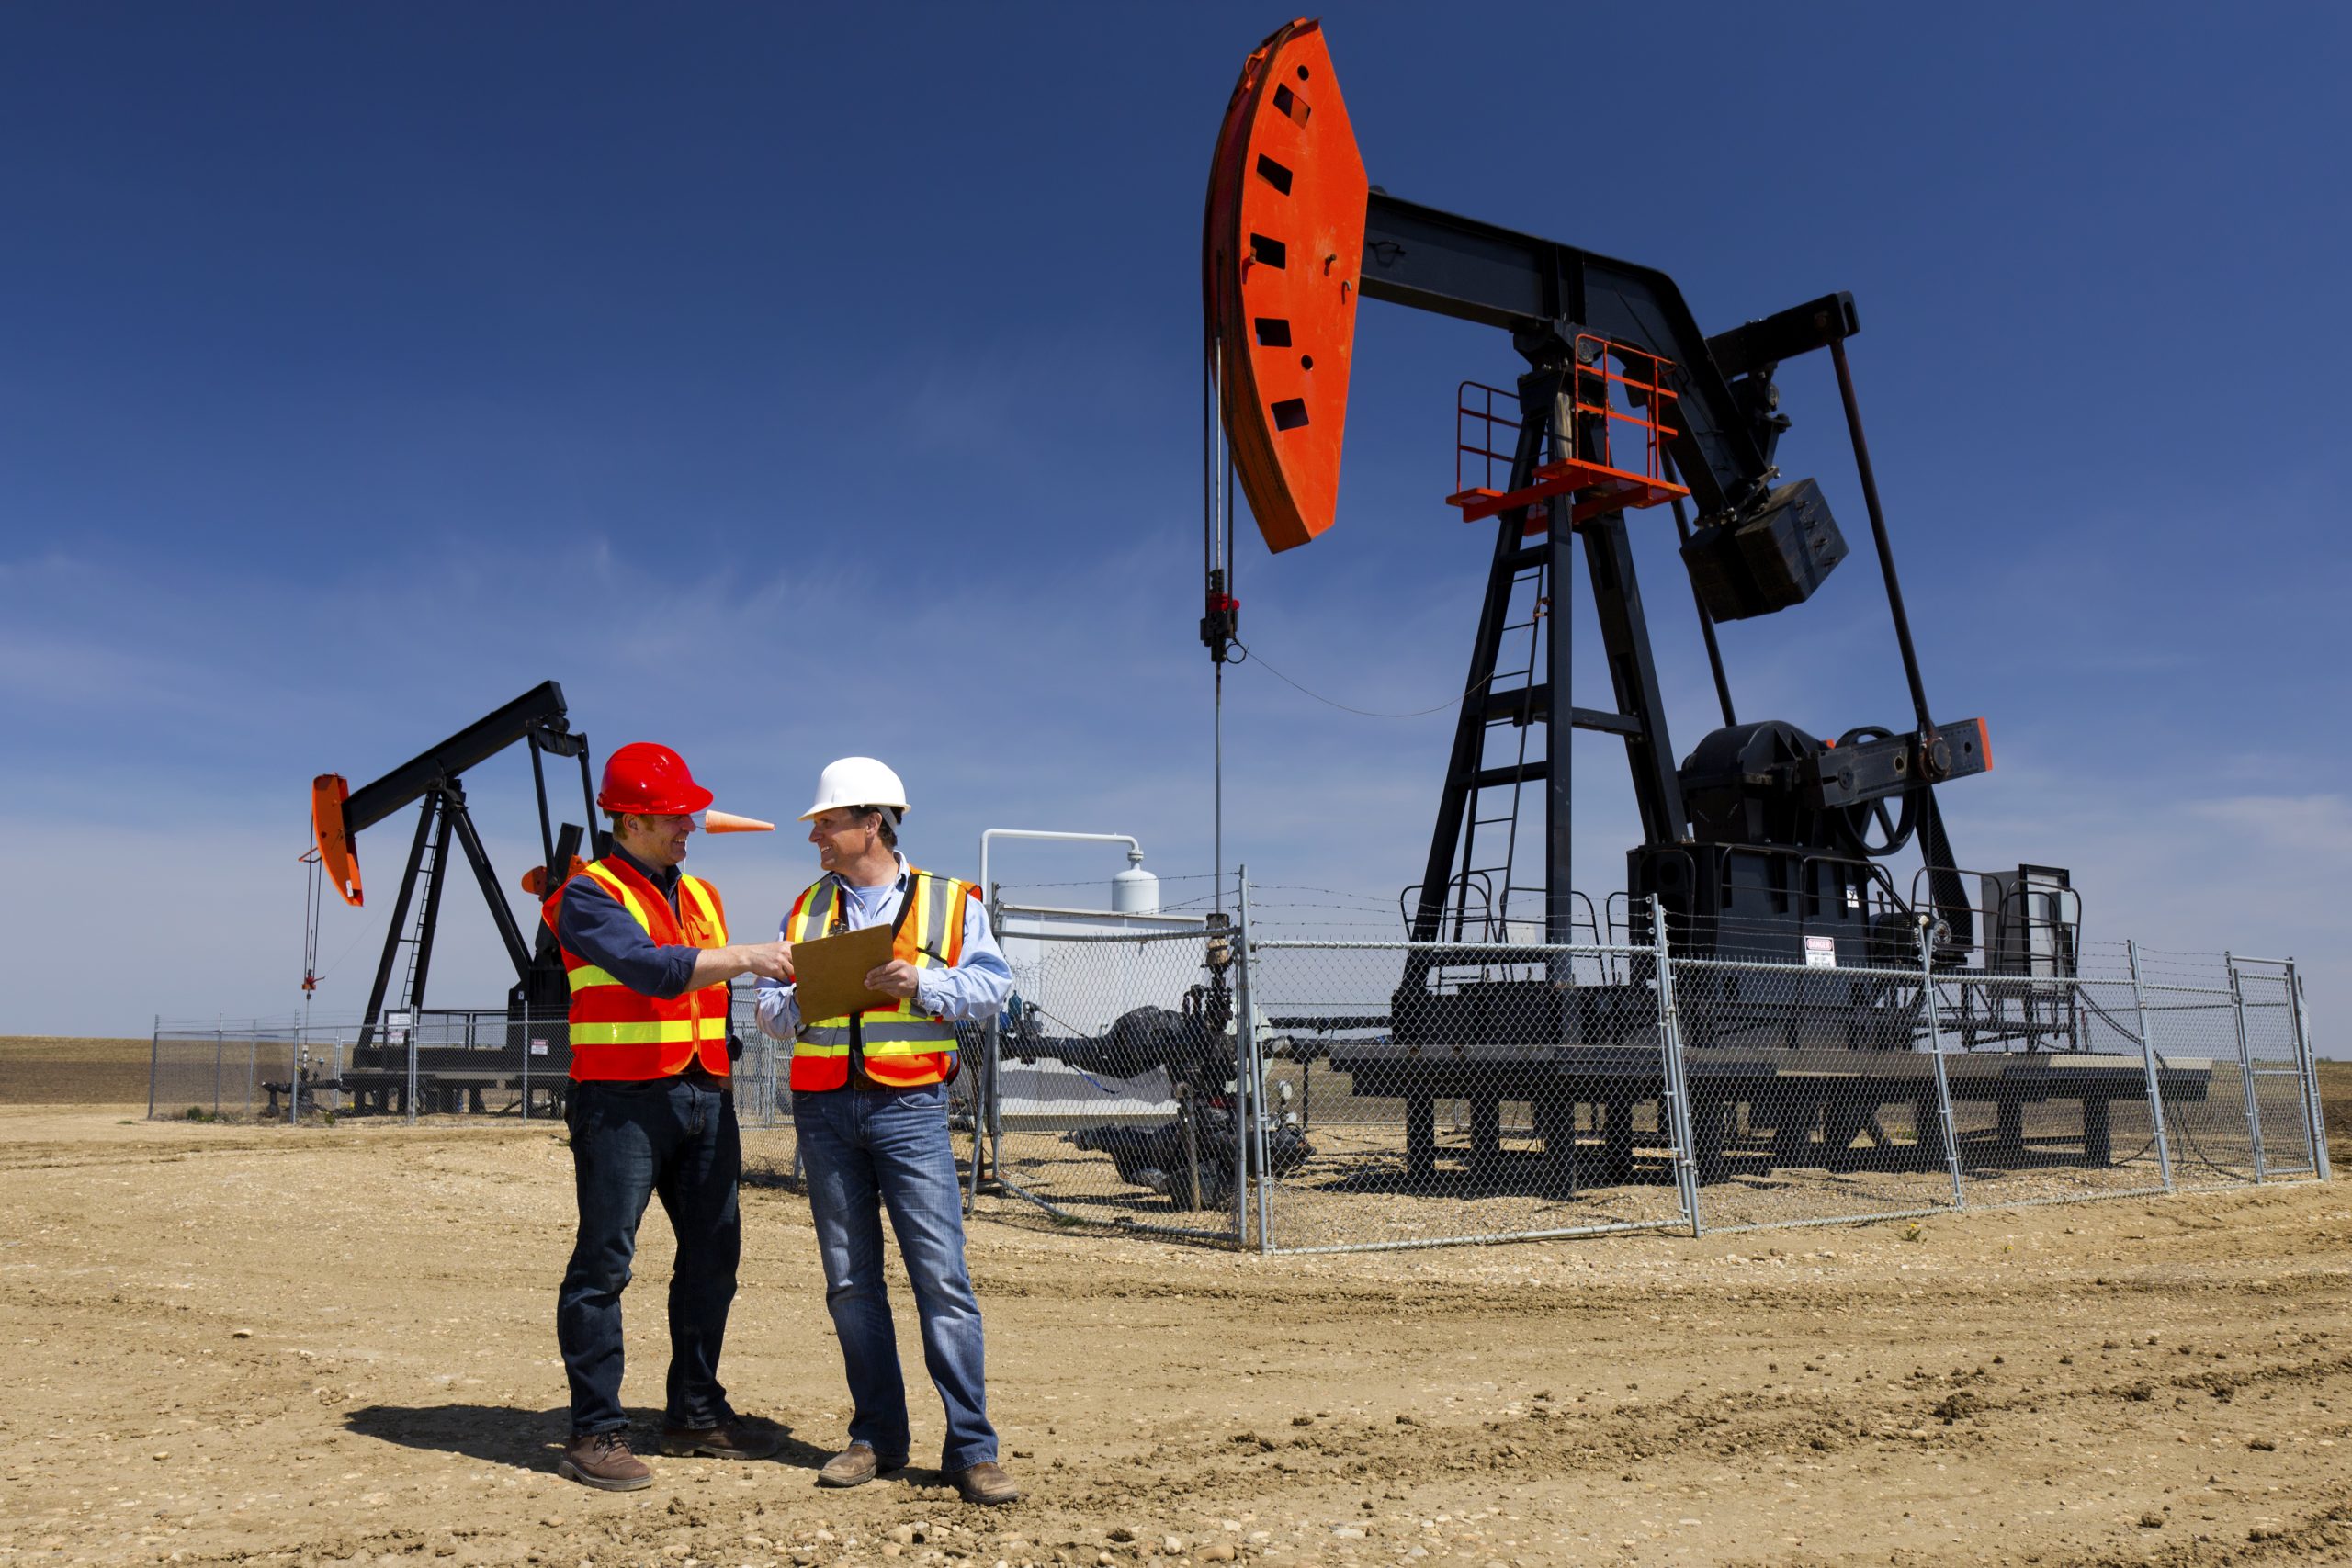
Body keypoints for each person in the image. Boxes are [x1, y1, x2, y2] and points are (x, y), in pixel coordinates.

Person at [754, 757, 1021, 1506]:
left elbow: (995, 988)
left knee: (941, 1277)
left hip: (910, 1109)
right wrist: (803, 1000)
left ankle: (972, 1448)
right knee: (849, 1282)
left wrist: (922, 982)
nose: (817, 837)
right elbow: (769, 1011)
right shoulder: (805, 909)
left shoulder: (950, 902)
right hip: (824, 1111)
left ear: (872, 822)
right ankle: (877, 1435)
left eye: (827, 823)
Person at [544, 742, 794, 1491]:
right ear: (631, 821)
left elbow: (704, 993)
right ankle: (595, 1429)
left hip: (704, 1093)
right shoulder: (586, 895)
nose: (691, 826)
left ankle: (694, 1409)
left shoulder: (703, 895)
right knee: (604, 1264)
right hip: (620, 1100)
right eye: (676, 815)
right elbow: (653, 971)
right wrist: (750, 956)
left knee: (714, 1255)